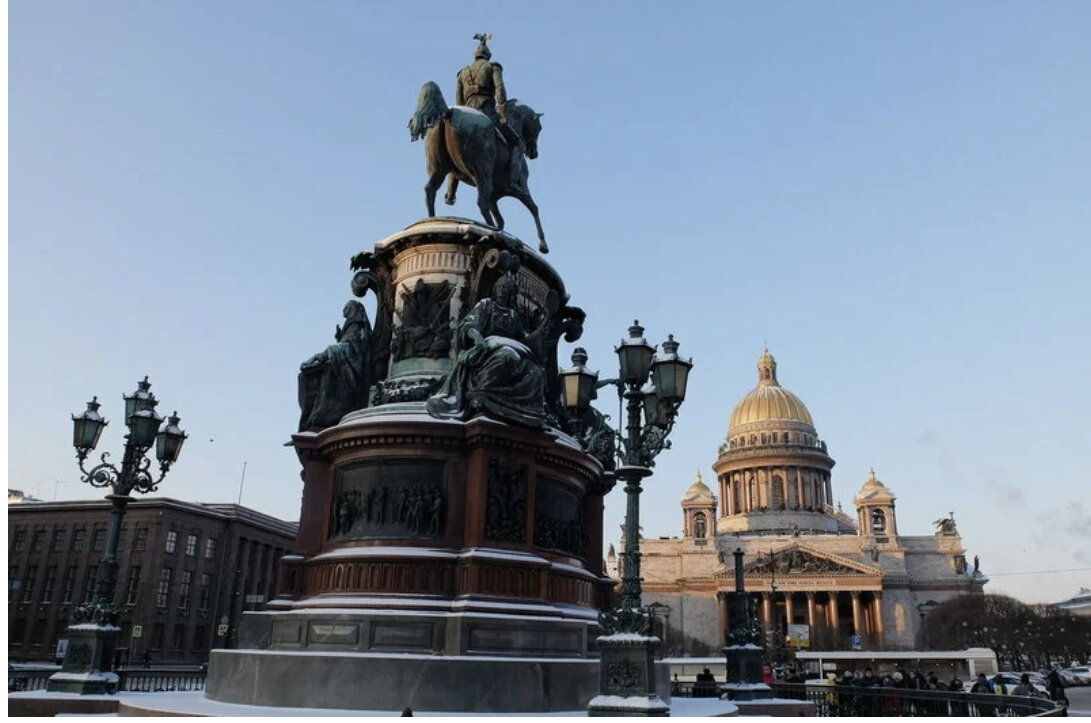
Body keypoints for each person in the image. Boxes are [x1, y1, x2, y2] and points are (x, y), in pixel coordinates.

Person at [427, 271, 546, 428]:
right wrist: (474, 334)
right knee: (507, 356)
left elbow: (524, 339)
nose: (504, 289)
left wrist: (547, 324)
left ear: (511, 292)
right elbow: (469, 323)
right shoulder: (486, 305)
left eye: (508, 286)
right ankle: (481, 394)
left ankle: (524, 410)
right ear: (496, 288)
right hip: (486, 349)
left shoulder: (513, 315)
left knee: (536, 373)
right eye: (502, 286)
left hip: (509, 348)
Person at [452, 33, 527, 195]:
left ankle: (451, 191)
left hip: (466, 112)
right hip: (487, 111)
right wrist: (502, 111)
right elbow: (500, 89)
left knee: (453, 146)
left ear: (475, 56)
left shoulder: (462, 73)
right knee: (515, 142)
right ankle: (514, 182)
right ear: (488, 56)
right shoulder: (493, 67)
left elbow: (458, 100)